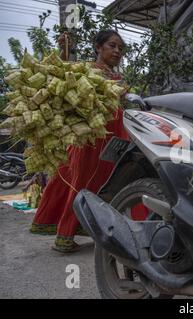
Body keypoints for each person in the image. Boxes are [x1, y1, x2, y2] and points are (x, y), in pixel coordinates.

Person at [30, 30, 129, 253]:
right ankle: (64, 235)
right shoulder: (87, 70)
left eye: (120, 48)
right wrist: (64, 51)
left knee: (108, 183)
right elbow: (64, 79)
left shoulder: (117, 77)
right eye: (112, 46)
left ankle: (91, 228)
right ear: (98, 47)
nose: (117, 51)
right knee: (81, 183)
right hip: (90, 138)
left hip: (114, 135)